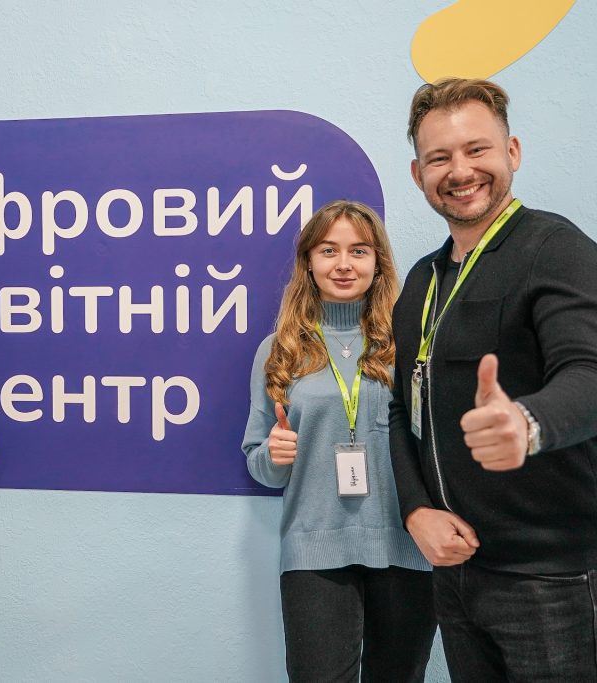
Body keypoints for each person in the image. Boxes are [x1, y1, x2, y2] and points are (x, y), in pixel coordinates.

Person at [391, 77, 597, 681]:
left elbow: (588, 370)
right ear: (417, 174)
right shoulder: (421, 284)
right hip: (454, 576)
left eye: (476, 150)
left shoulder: (555, 249)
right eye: (440, 158)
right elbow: (396, 413)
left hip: (549, 579)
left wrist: (528, 424)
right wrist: (414, 511)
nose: (460, 170)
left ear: (512, 152)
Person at [243, 200, 435, 682]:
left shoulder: (410, 342)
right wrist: (274, 455)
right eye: (329, 250)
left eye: (359, 251)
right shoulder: (279, 349)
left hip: (407, 546)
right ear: (309, 261)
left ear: (378, 262)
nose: (344, 264)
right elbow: (258, 460)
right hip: (315, 552)